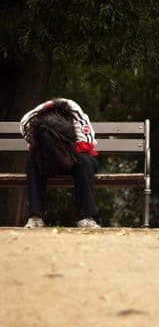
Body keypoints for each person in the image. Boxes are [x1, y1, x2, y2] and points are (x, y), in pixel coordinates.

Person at [20, 98, 100, 229]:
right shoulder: (27, 122)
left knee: (86, 162)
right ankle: (35, 217)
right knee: (32, 162)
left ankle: (87, 217)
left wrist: (63, 148)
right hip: (46, 158)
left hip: (73, 156)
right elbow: (34, 148)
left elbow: (87, 144)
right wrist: (49, 146)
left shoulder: (75, 114)